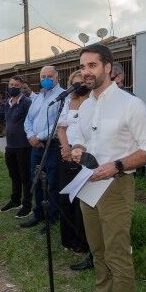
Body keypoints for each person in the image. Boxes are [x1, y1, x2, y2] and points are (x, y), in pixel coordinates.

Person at [69, 43, 146, 292]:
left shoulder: (130, 104)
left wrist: (116, 166)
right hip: (87, 183)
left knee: (118, 254)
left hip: (117, 186)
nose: (86, 71)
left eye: (92, 65)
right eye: (83, 66)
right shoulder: (84, 104)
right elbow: (76, 134)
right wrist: (78, 148)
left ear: (109, 67)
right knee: (97, 249)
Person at [20, 66, 63, 232]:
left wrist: (40, 137)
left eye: (49, 76)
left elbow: (59, 122)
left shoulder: (62, 96)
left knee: (52, 182)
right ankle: (38, 214)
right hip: (35, 146)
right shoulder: (37, 97)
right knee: (36, 179)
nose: (46, 79)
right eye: (43, 76)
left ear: (57, 77)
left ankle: (52, 217)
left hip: (51, 145)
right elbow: (28, 120)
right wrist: (31, 137)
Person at [56, 70, 92, 270]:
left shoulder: (92, 102)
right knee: (65, 197)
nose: (79, 86)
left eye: (81, 83)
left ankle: (82, 242)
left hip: (86, 156)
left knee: (80, 201)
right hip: (66, 154)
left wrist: (78, 150)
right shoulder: (67, 102)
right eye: (75, 83)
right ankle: (68, 240)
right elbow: (62, 127)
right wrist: (65, 148)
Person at [0, 76, 33, 218]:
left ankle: (27, 205)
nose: (13, 87)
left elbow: (31, 122)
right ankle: (15, 201)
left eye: (16, 85)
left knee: (25, 176)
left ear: (21, 87)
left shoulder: (26, 102)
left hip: (24, 146)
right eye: (11, 84)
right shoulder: (7, 103)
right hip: (10, 146)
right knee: (13, 175)